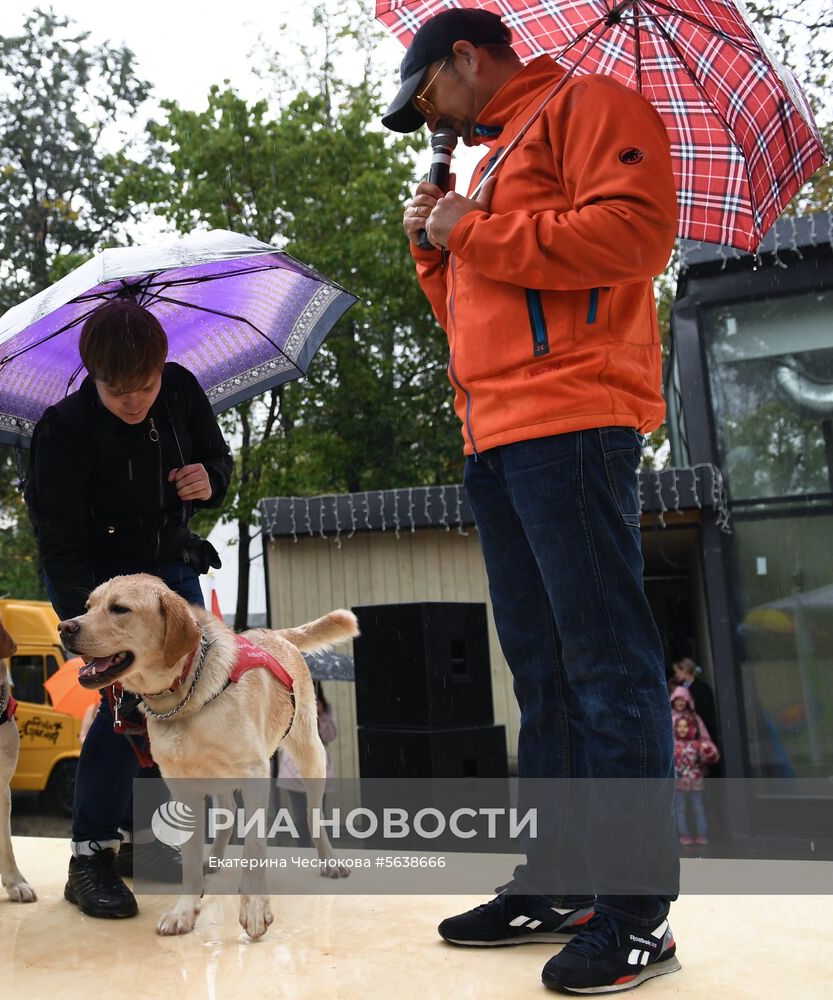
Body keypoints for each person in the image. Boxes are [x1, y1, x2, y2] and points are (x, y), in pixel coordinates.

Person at [385, 8, 680, 994]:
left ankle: (637, 916)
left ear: (468, 57)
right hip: (497, 434)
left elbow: (635, 237)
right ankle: (556, 880)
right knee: (544, 673)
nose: (430, 117)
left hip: (574, 422)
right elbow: (483, 307)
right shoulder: (496, 154)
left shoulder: (588, 106)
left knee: (607, 663)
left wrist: (475, 224)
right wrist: (440, 245)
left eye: (428, 94)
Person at [25, 298, 233, 919]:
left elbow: (218, 461)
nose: (136, 400)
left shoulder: (182, 390)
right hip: (100, 587)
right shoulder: (62, 431)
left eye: (146, 385)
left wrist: (211, 480)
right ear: (93, 376)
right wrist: (86, 628)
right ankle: (90, 857)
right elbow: (57, 543)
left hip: (172, 575)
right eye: (118, 391)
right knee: (123, 711)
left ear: (164, 366)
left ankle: (157, 843)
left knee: (191, 708)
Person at [276, 681, 337, 846]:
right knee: (301, 818)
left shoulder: (325, 708)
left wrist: (322, 717)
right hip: (294, 769)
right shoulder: (291, 705)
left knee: (318, 816)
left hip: (318, 769)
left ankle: (320, 852)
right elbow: (286, 736)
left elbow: (330, 736)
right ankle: (302, 850)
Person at [670, 691, 719, 847]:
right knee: (681, 809)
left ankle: (702, 834)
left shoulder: (695, 725)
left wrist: (709, 752)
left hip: (696, 780)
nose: (680, 703)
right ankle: (684, 835)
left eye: (682, 700)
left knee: (698, 807)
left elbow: (707, 750)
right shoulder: (669, 720)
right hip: (679, 781)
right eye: (677, 700)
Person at [671, 657, 719, 750]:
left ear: (685, 670)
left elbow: (706, 714)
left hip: (700, 731)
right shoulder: (682, 688)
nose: (676, 675)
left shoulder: (701, 689)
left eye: (677, 672)